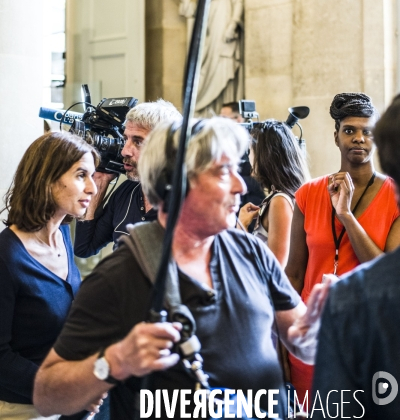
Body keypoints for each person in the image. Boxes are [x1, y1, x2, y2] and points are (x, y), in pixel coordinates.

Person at [34, 118, 330, 420]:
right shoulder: (120, 276)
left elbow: (300, 338)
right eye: (224, 171)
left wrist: (310, 336)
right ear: (177, 183)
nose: (241, 185)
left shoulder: (252, 252)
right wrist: (115, 361)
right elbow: (47, 396)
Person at [285, 92, 400, 403]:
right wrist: (282, 340)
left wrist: (346, 214)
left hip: (367, 328)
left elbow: (386, 270)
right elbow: (293, 274)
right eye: (349, 131)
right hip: (310, 332)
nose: (359, 139)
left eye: (367, 131)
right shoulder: (308, 193)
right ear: (336, 136)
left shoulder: (394, 194)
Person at [0, 131, 100, 420]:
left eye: (92, 175)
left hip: (68, 401)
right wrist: (69, 388)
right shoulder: (6, 257)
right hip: (26, 409)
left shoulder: (61, 236)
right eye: (81, 174)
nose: (93, 188)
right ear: (47, 178)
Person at [73, 99, 182, 257]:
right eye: (125, 139)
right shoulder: (127, 191)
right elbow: (84, 248)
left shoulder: (186, 202)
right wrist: (101, 181)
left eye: (138, 142)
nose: (125, 151)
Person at [238, 120, 310, 267]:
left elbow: (274, 268)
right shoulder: (279, 197)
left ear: (263, 155)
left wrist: (242, 228)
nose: (248, 156)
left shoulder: (280, 201)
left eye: (250, 150)